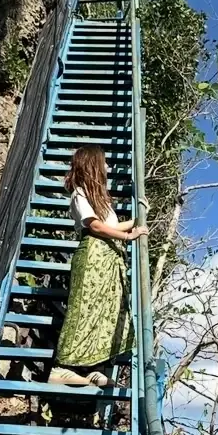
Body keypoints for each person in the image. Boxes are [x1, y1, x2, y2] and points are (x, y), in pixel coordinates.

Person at [49, 145, 147, 387]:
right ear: (92, 165)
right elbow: (94, 226)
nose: (108, 168)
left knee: (107, 312)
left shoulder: (100, 199)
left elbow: (111, 227)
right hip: (93, 254)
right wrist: (128, 237)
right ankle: (62, 367)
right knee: (84, 309)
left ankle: (95, 369)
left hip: (109, 257)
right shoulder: (80, 193)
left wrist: (140, 219)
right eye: (104, 163)